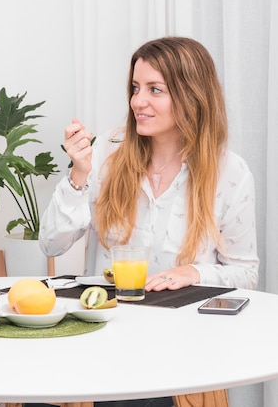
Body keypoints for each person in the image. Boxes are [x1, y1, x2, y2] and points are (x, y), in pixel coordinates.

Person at [38, 37, 260, 406]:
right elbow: (51, 244)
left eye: (155, 90)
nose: (137, 101)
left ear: (192, 95)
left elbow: (245, 274)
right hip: (101, 347)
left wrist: (195, 273)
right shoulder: (107, 153)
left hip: (184, 357)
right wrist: (79, 175)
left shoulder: (230, 172)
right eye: (136, 88)